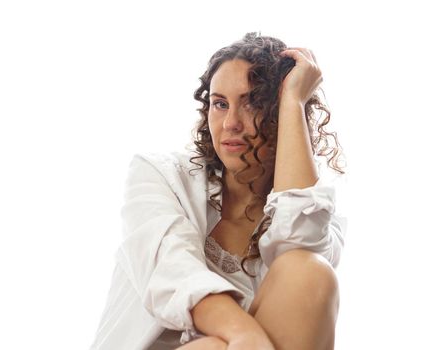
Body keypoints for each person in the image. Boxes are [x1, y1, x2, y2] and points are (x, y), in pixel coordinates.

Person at [90, 32, 346, 350]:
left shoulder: (318, 218)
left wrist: (294, 100)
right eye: (220, 104)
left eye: (252, 103)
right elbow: (173, 272)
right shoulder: (160, 175)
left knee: (310, 272)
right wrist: (246, 338)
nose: (230, 123)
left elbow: (299, 245)